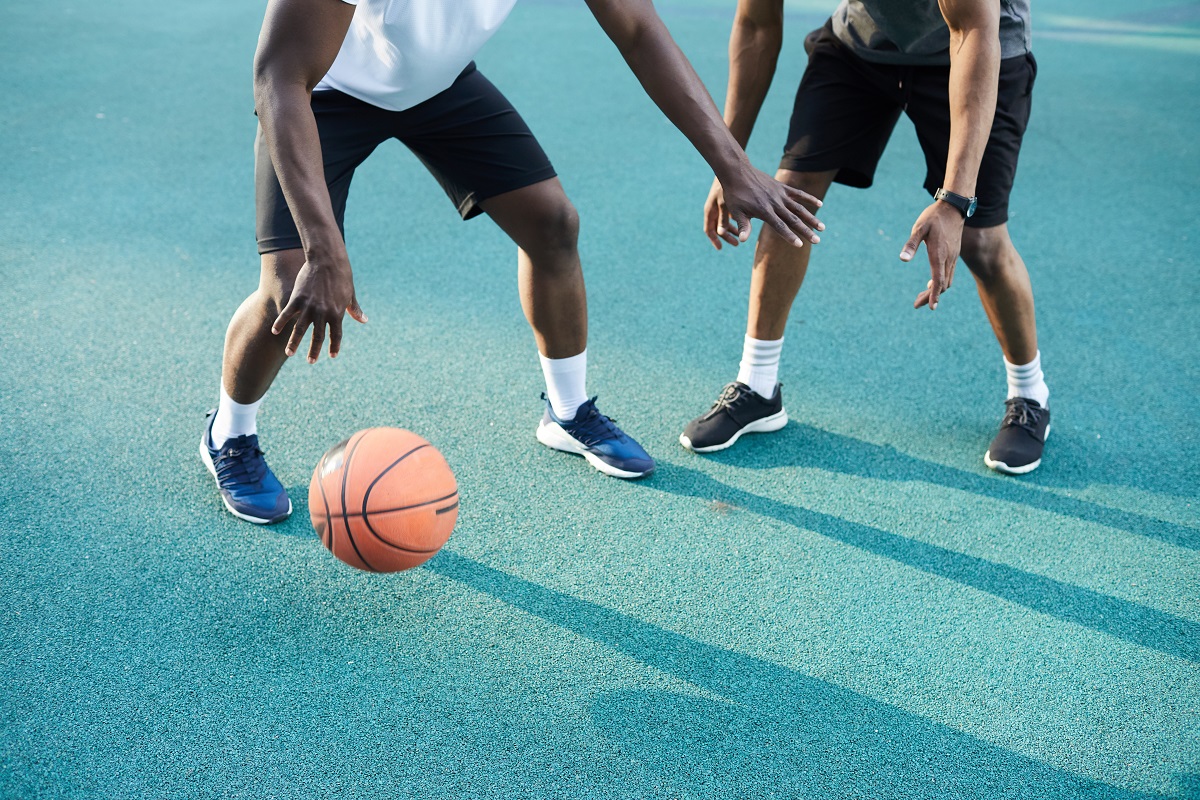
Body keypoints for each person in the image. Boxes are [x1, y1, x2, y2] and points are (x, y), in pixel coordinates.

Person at [200, 0, 826, 524]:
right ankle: (229, 434)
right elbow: (278, 78)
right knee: (287, 288)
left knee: (552, 223)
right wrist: (323, 244)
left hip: (435, 87)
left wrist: (732, 165)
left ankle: (568, 411)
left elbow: (637, 27)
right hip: (322, 95)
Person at [680, 0, 1050, 475]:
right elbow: (755, 24)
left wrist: (955, 201)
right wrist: (728, 164)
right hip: (861, 45)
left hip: (976, 47)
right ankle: (758, 386)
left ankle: (1029, 394)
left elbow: (973, 32)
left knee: (981, 241)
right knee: (786, 200)